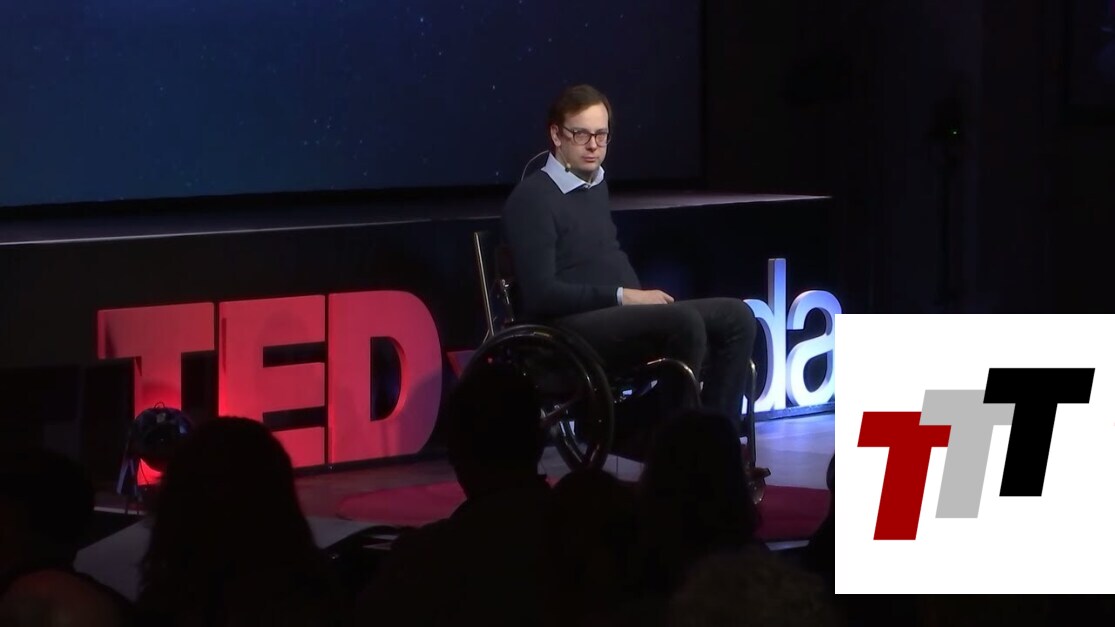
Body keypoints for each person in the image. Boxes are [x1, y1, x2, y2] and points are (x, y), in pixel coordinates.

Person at [501, 83, 767, 477]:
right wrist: (624, 297)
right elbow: (542, 295)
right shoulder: (532, 199)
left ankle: (716, 446)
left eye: (602, 134)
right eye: (581, 134)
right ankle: (677, 455)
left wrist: (630, 300)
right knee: (682, 322)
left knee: (737, 316)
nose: (594, 145)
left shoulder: (594, 185)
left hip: (614, 316)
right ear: (556, 135)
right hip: (566, 327)